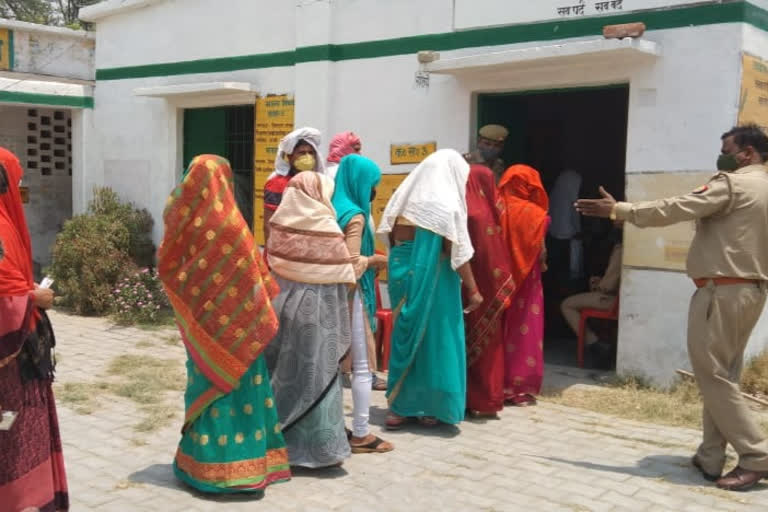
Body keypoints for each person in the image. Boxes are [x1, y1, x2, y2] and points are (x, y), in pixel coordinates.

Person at [575, 124, 768, 492]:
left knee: (711, 376)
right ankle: (711, 455)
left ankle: (757, 454)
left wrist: (620, 210)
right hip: (750, 291)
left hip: (721, 291)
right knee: (723, 376)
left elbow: (677, 207)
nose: (722, 154)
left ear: (746, 154)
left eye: (727, 148)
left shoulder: (733, 184)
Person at [158, 155, 290, 494]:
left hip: (203, 331)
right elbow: (257, 278)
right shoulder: (234, 225)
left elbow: (171, 269)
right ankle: (248, 466)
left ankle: (206, 467)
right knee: (242, 391)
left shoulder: (186, 226)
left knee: (211, 389)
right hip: (244, 330)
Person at [377, 149, 482, 429]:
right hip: (434, 277)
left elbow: (391, 238)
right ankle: (429, 408)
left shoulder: (403, 198)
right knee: (435, 340)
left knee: (406, 335)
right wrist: (473, 289)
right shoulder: (444, 205)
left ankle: (399, 408)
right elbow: (454, 251)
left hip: (402, 275)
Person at [265, 172, 356, 468]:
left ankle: (278, 443)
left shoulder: (279, 224)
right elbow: (343, 278)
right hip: (319, 315)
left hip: (281, 308)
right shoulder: (327, 228)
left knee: (284, 375)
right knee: (318, 377)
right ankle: (322, 451)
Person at [0, 148, 68, 511]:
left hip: (21, 350)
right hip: (10, 358)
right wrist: (33, 298)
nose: (21, 185)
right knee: (12, 432)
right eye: (17, 178)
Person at [332, 154, 394, 453]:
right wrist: (375, 261)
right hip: (351, 295)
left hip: (329, 297)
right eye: (373, 185)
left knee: (331, 366)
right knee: (361, 367)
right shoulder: (355, 215)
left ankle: (333, 426)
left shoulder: (331, 206)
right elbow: (351, 263)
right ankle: (361, 433)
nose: (374, 192)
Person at [464, 164, 516, 418]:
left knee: (464, 342)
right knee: (489, 348)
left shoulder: (464, 204)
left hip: (466, 285)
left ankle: (466, 397)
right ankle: (486, 400)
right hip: (486, 287)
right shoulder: (487, 211)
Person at [497, 164, 550, 407]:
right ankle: (519, 388)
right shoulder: (538, 216)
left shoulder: (494, 209)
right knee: (524, 329)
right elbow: (541, 255)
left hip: (498, 281)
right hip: (528, 282)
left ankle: (494, 383)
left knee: (498, 330)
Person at [560, 223, 623, 369]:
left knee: (567, 304)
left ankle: (595, 345)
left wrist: (598, 285)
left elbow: (608, 286)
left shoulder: (621, 249)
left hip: (611, 300)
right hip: (617, 298)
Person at [263, 127, 325, 244]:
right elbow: (268, 225)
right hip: (284, 246)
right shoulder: (277, 183)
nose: (307, 157)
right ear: (290, 157)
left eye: (311, 153)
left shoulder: (318, 181)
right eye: (302, 153)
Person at [548, 169, 584, 283]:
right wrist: (578, 230)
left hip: (553, 234)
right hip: (567, 236)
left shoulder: (555, 193)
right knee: (568, 270)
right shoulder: (572, 198)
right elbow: (574, 217)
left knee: (556, 268)